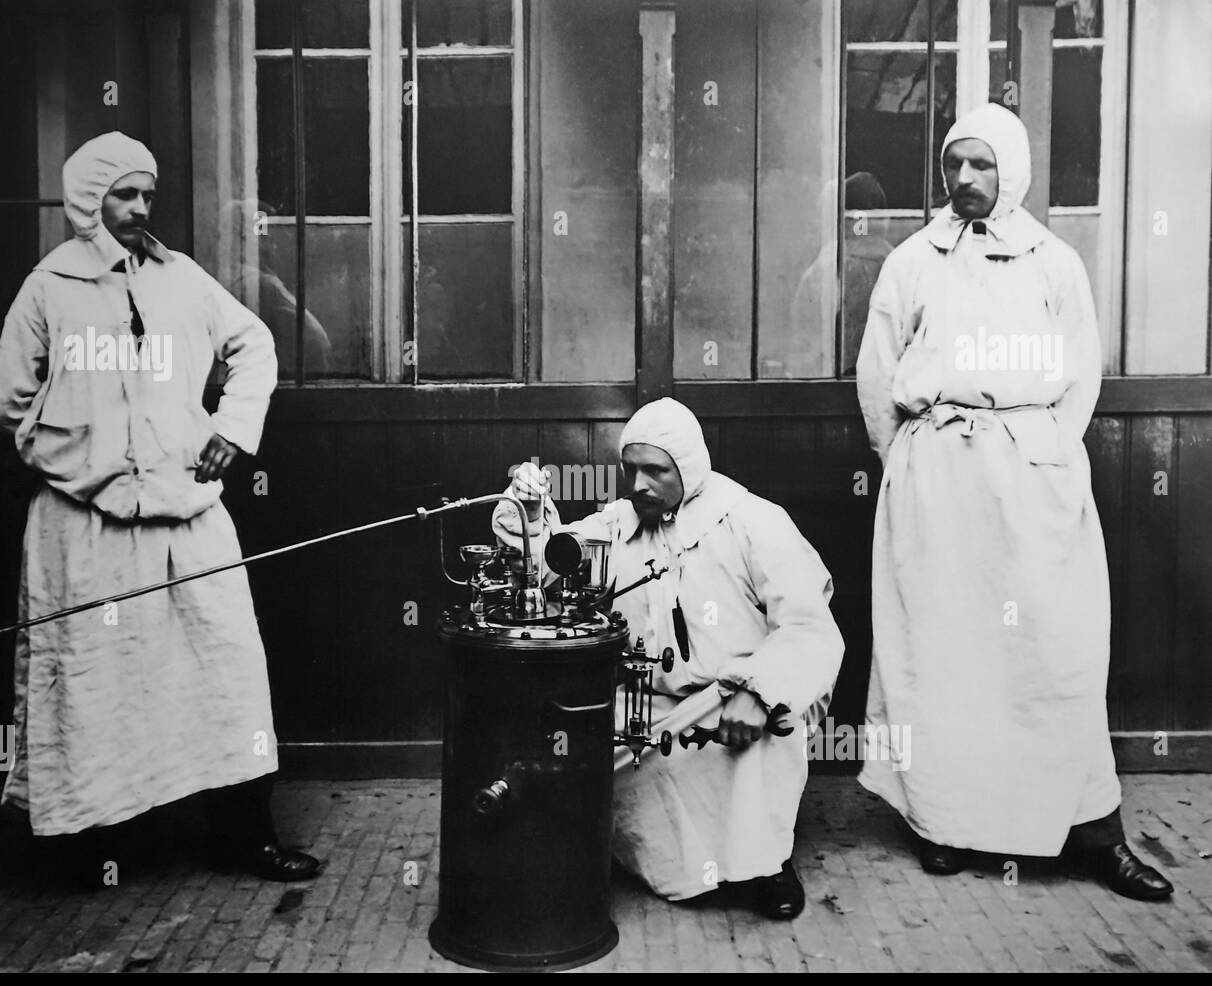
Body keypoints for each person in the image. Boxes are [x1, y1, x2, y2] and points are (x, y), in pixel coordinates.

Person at [0, 132, 319, 883]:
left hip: (188, 519)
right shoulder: (49, 288)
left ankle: (243, 837)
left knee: (226, 674)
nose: (138, 210)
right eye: (123, 195)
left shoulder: (182, 280)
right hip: (85, 530)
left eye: (146, 196)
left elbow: (254, 345)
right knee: (98, 683)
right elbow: (4, 404)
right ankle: (96, 844)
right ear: (87, 200)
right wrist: (80, 452)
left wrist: (231, 431)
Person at [855, 103, 1171, 900]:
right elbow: (878, 373)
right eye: (954, 164)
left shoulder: (1054, 263)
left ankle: (1094, 831)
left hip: (1032, 480)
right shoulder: (914, 262)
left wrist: (1045, 454)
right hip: (937, 485)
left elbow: (1082, 375)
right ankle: (945, 821)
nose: (964, 179)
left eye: (982, 165)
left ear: (1014, 172)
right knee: (945, 652)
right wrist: (912, 465)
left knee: (1054, 651)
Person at [495, 398, 845, 917]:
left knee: (775, 724)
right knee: (564, 752)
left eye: (655, 470)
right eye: (629, 469)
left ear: (689, 467)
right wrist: (528, 512)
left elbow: (811, 631)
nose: (638, 485)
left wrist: (757, 690)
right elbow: (548, 565)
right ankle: (647, 855)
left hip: (732, 704)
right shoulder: (618, 525)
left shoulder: (754, 523)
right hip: (648, 705)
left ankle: (765, 863)